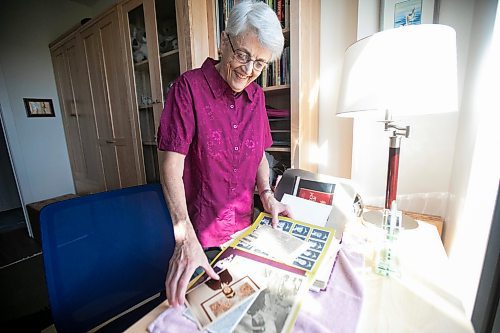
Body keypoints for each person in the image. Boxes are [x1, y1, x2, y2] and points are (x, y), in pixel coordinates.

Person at [157, 0, 292, 307]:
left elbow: (258, 152)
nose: (248, 70)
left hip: (245, 232)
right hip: (199, 239)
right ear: (223, 40)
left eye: (259, 64)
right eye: (243, 54)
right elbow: (170, 167)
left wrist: (267, 194)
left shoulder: (257, 97)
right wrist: (184, 238)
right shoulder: (187, 88)